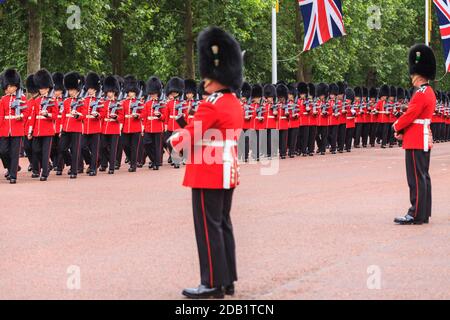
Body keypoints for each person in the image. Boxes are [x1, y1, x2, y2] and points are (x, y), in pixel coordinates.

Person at [168, 26, 243, 299]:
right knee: (222, 223)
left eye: (207, 77)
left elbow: (193, 134)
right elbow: (203, 126)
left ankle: (211, 282)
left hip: (208, 171)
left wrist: (173, 141)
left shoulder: (211, 103)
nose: (204, 81)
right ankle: (227, 279)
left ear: (214, 77)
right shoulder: (232, 102)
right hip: (227, 169)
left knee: (207, 227)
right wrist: (185, 126)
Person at [394, 44, 436, 225]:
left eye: (412, 74)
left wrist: (396, 126)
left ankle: (415, 213)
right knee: (423, 176)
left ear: (417, 75)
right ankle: (423, 212)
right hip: (422, 136)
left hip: (416, 139)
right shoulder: (430, 92)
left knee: (416, 178)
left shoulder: (420, 93)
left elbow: (410, 115)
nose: (411, 77)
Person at [28, 69, 57, 181]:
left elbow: (54, 115)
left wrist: (47, 114)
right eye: (40, 88)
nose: (42, 90)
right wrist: (30, 131)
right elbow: (33, 117)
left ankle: (44, 173)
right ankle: (46, 167)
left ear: (48, 88)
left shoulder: (52, 100)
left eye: (44, 88)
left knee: (45, 152)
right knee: (36, 150)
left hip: (48, 130)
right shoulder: (37, 101)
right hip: (37, 130)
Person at [0, 68, 28, 184]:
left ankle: (13, 176)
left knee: (15, 152)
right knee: (3, 151)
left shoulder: (22, 98)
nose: (9, 88)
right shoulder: (3, 99)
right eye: (7, 86)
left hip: (17, 128)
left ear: (16, 86)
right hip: (5, 129)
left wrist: (21, 116)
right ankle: (12, 167)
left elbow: (26, 112)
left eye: (11, 86)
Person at [57, 72, 85, 179]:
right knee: (62, 148)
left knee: (75, 149)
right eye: (69, 90)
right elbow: (64, 115)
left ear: (77, 90)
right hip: (66, 128)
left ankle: (74, 171)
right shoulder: (66, 101)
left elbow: (84, 114)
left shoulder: (81, 101)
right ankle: (70, 163)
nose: (70, 92)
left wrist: (78, 115)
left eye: (73, 90)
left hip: (76, 128)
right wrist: (61, 128)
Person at [100, 75, 124, 174]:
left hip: (114, 128)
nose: (109, 94)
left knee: (113, 148)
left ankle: (112, 167)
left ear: (114, 92)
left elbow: (121, 117)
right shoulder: (104, 103)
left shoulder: (119, 104)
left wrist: (116, 118)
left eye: (111, 92)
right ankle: (106, 162)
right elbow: (101, 115)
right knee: (103, 146)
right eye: (108, 92)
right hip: (104, 128)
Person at [141, 76, 166, 170]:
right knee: (146, 144)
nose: (152, 95)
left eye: (154, 93)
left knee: (157, 146)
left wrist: (159, 116)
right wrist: (143, 127)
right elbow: (144, 116)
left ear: (157, 93)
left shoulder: (162, 103)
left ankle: (156, 163)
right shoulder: (147, 104)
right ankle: (154, 160)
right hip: (148, 127)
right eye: (151, 93)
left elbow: (164, 117)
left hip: (158, 127)